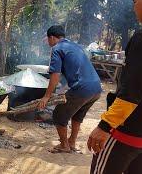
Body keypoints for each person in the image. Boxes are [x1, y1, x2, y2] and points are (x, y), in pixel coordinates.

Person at [88, 0, 142, 173]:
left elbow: (131, 92)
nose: (134, 7)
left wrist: (105, 126)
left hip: (126, 131)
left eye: (135, 0)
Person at [39, 25, 102, 153]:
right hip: (96, 88)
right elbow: (75, 67)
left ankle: (64, 145)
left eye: (48, 40)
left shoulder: (56, 49)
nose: (48, 43)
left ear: (52, 37)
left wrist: (46, 96)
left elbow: (55, 75)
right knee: (77, 115)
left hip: (82, 88)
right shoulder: (75, 46)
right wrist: (63, 87)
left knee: (58, 115)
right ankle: (71, 142)